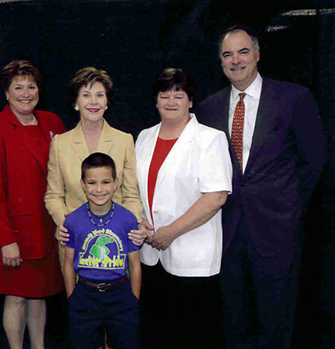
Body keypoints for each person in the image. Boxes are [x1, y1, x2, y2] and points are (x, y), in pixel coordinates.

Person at [197, 25, 326, 349]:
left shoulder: (294, 97)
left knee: (276, 316)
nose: (235, 60)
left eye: (242, 52)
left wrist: (290, 203)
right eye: (228, 54)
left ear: (257, 55)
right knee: (234, 317)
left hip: (278, 227)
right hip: (227, 229)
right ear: (220, 61)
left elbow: (315, 159)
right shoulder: (209, 107)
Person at [135, 68, 232, 349]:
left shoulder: (209, 139)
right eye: (164, 95)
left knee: (192, 335)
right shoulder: (144, 137)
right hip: (151, 254)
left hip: (192, 256)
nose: (171, 101)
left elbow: (216, 196)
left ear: (191, 101)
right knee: (156, 332)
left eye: (179, 95)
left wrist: (171, 232)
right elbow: (134, 190)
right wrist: (139, 220)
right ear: (155, 101)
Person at [0, 60, 65, 349]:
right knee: (16, 297)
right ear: (6, 93)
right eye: (18, 87)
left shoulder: (52, 122)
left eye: (31, 86)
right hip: (13, 233)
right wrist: (5, 240)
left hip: (47, 229)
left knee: (40, 295)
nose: (26, 93)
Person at [45, 67, 145, 270]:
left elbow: (131, 195)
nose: (93, 102)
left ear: (107, 102)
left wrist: (131, 225)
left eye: (100, 95)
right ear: (76, 102)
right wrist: (65, 223)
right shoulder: (60, 143)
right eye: (86, 95)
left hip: (115, 243)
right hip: (74, 240)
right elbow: (53, 195)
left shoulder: (124, 140)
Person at [63, 152, 141, 349]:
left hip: (120, 293)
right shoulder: (73, 220)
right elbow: (68, 264)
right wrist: (72, 297)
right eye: (92, 183)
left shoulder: (128, 219)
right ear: (82, 184)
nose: (99, 189)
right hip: (85, 294)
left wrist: (133, 299)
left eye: (106, 182)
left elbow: (134, 264)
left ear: (116, 183)